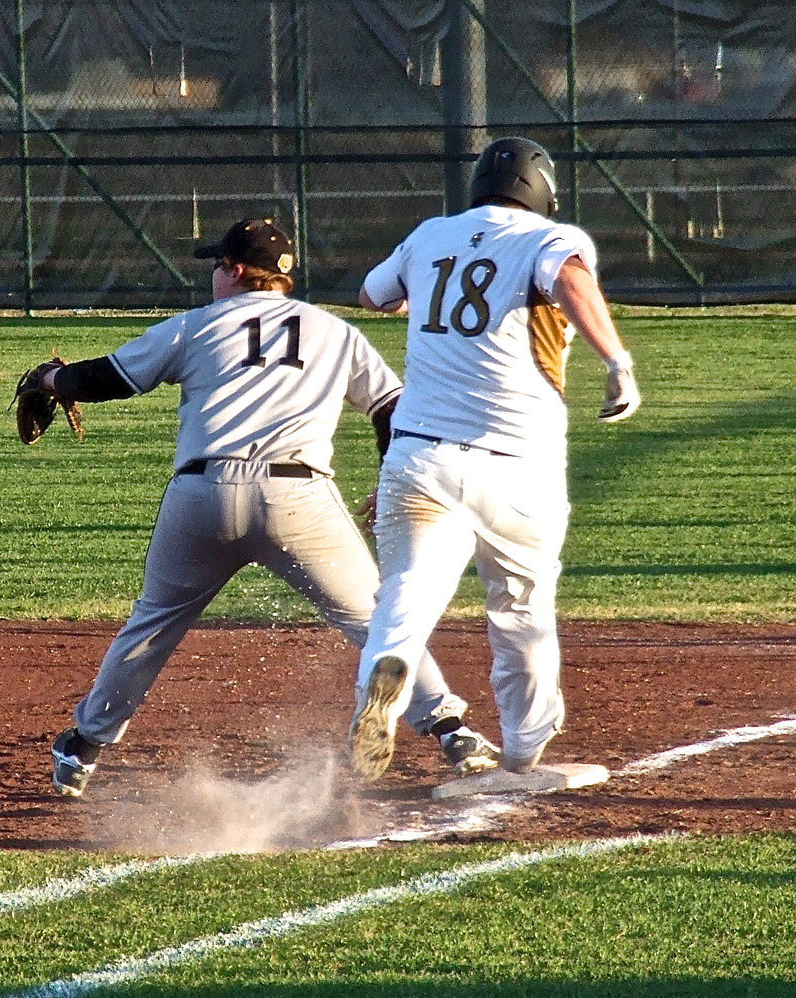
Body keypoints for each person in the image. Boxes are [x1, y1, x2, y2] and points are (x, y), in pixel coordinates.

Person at [39, 218, 500, 797]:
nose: (212, 275)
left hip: (204, 496)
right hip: (299, 498)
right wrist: (392, 484)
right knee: (375, 619)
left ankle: (82, 749)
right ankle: (452, 731)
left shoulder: (196, 326)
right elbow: (393, 412)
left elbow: (106, 379)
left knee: (153, 625)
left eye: (216, 265)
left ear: (234, 271)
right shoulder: (336, 333)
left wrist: (54, 379)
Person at [348, 137, 641, 782]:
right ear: (543, 189)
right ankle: (522, 753)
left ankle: (388, 679)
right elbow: (570, 279)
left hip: (418, 456)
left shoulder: (431, 234)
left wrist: (421, 291)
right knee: (521, 612)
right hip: (519, 467)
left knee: (407, 593)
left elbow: (372, 296)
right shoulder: (549, 237)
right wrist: (617, 363)